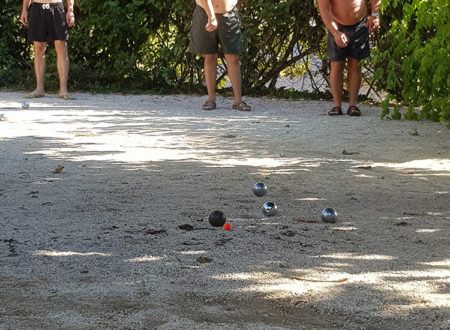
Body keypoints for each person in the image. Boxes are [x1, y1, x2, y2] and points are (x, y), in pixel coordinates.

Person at [317, 0, 380, 116]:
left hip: (360, 24)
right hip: (336, 26)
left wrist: (375, 15)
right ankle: (336, 105)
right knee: (336, 65)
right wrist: (335, 33)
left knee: (355, 64)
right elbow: (324, 11)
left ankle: (353, 105)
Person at [190, 0, 251, 111]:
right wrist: (211, 15)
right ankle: (211, 99)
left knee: (233, 57)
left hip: (229, 13)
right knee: (209, 56)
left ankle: (238, 101)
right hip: (205, 13)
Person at [20, 0, 75, 99]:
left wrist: (70, 10)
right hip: (37, 8)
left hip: (56, 7)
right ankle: (39, 89)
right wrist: (24, 9)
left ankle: (63, 90)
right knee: (39, 49)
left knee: (61, 47)